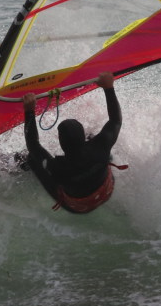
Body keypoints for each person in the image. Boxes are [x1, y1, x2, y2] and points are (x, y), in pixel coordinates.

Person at [22, 71, 124, 214]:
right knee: (102, 144)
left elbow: (32, 145)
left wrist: (29, 112)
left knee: (32, 158)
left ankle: (20, 167)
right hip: (106, 191)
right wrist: (109, 88)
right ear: (82, 137)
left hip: (77, 207)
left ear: (60, 141)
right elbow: (115, 120)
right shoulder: (100, 146)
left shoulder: (57, 167)